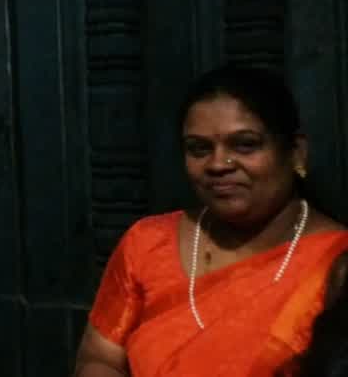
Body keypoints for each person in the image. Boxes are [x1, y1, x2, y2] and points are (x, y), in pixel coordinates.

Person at [73, 64, 348, 377]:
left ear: (296, 152)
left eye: (245, 144)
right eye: (199, 148)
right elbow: (99, 359)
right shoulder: (148, 243)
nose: (218, 164)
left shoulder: (336, 263)